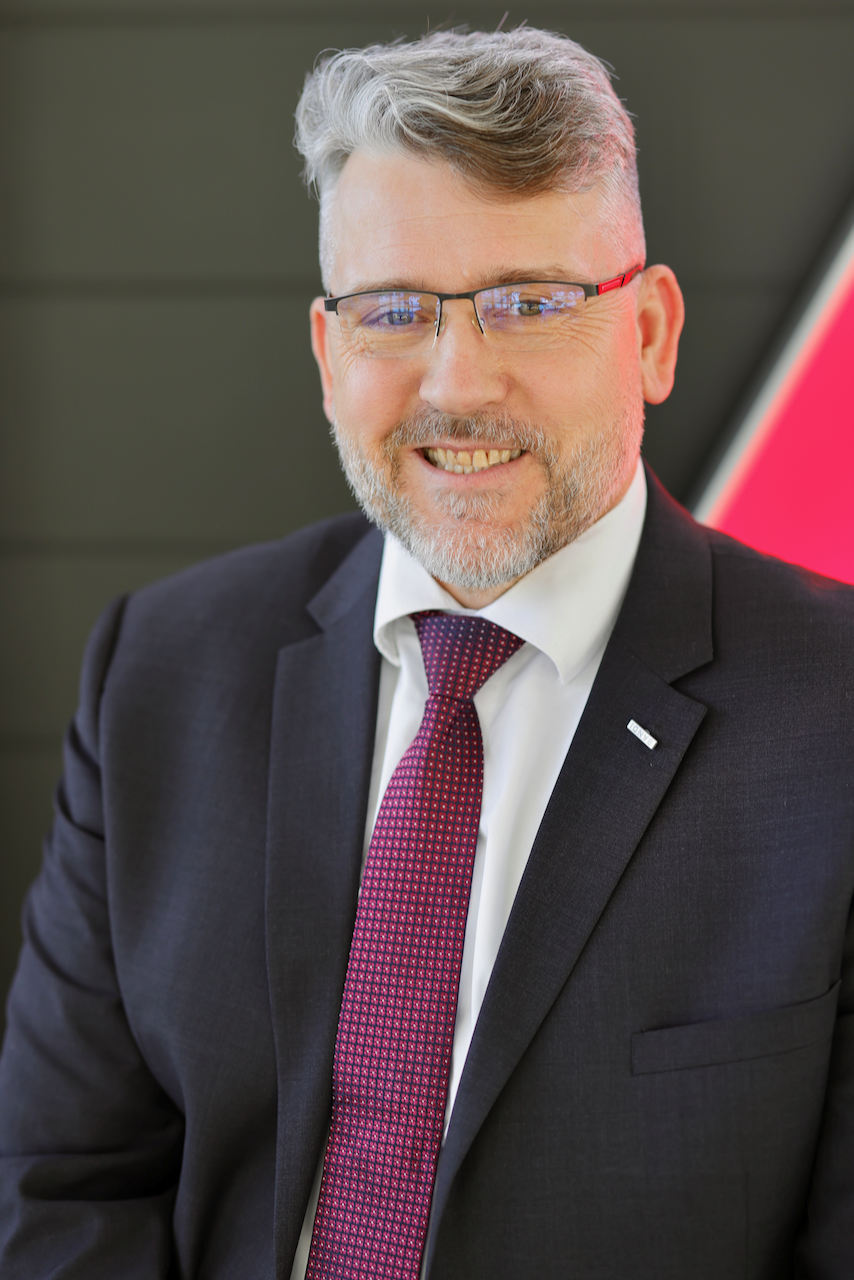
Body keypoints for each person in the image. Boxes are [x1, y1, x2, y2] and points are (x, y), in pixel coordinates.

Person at [1, 25, 853, 1280]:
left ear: (649, 334)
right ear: (327, 352)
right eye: (394, 311)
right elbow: (63, 1192)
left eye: (529, 303)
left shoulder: (833, 718)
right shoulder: (160, 676)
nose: (458, 383)